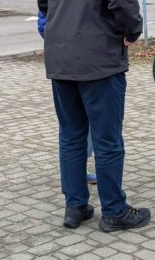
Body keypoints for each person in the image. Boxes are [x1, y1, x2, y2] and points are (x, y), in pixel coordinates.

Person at [37, 0, 150, 231]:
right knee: (107, 139)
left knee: (71, 136)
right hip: (99, 61)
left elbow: (44, 3)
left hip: (61, 61)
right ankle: (114, 211)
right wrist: (133, 31)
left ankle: (75, 208)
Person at [37, 10, 97, 185]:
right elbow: (43, 22)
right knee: (74, 127)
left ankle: (81, 172)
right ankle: (78, 172)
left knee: (90, 125)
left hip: (85, 61)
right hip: (67, 63)